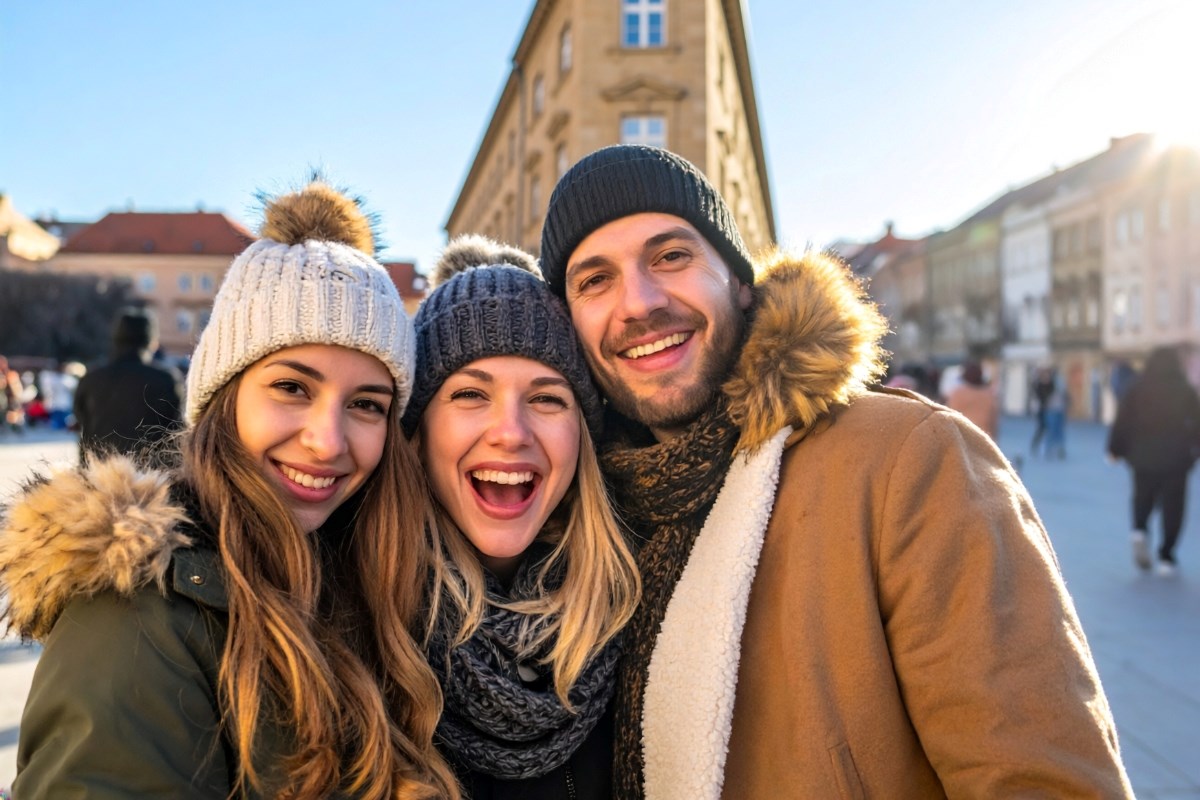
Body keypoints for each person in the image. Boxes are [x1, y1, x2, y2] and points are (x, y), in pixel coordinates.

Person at [538, 144, 1133, 798]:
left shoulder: (906, 460)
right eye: (594, 280)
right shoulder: (584, 518)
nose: (639, 304)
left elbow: (1042, 779)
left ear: (738, 279)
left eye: (671, 256)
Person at [0, 181, 459, 799]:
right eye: (292, 388)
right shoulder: (133, 619)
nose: (328, 441)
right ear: (224, 397)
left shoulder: (364, 581)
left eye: (368, 405)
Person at [402, 235, 640, 799]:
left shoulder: (642, 616)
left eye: (547, 399)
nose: (510, 432)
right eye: (469, 395)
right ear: (419, 429)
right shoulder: (352, 626)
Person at [1107, 345, 1200, 576]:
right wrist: (1194, 452)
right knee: (1173, 507)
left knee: (1142, 496)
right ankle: (1166, 557)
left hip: (1142, 456)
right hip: (1176, 459)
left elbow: (1124, 420)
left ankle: (1139, 530)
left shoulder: (1137, 387)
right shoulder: (1184, 390)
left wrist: (1115, 449)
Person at [73, 305, 183, 465]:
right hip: (152, 483)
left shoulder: (90, 379)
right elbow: (178, 431)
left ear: (116, 338)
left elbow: (81, 422)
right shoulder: (166, 380)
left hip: (99, 479)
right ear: (152, 342)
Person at [945, 360, 999, 440]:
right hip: (983, 439)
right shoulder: (989, 395)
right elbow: (993, 422)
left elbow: (948, 417)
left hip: (961, 438)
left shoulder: (957, 393)